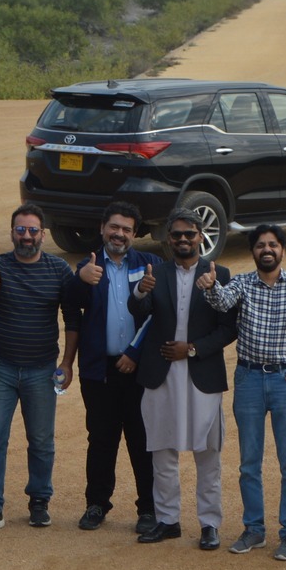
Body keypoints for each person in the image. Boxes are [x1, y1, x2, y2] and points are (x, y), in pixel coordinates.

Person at [201, 224, 286, 562]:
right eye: (260, 245)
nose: (267, 250)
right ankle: (254, 529)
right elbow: (222, 302)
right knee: (249, 463)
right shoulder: (241, 282)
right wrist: (211, 286)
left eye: (273, 244)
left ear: (282, 249)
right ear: (253, 252)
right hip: (249, 379)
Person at [0, 202, 80, 534]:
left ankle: (39, 501)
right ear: (12, 233)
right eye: (20, 230)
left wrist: (67, 363)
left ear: (42, 234)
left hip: (42, 370)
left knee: (42, 440)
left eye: (32, 230)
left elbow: (73, 317)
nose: (26, 236)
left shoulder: (58, 269)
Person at [129, 209, 236, 549]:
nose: (183, 239)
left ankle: (209, 524)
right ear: (168, 238)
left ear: (200, 236)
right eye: (176, 234)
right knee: (162, 451)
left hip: (201, 372)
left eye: (189, 234)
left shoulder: (220, 274)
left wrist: (191, 349)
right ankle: (167, 520)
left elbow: (228, 329)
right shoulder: (155, 273)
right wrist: (140, 292)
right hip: (160, 373)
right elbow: (138, 313)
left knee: (208, 454)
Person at [73, 201, 159, 534]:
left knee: (143, 440)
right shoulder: (88, 265)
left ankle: (148, 508)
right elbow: (71, 307)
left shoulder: (150, 264)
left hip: (139, 369)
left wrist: (135, 353)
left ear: (134, 234)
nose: (119, 234)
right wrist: (80, 280)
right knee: (101, 440)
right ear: (102, 228)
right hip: (99, 371)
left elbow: (160, 316)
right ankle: (96, 504)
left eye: (126, 229)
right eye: (114, 227)